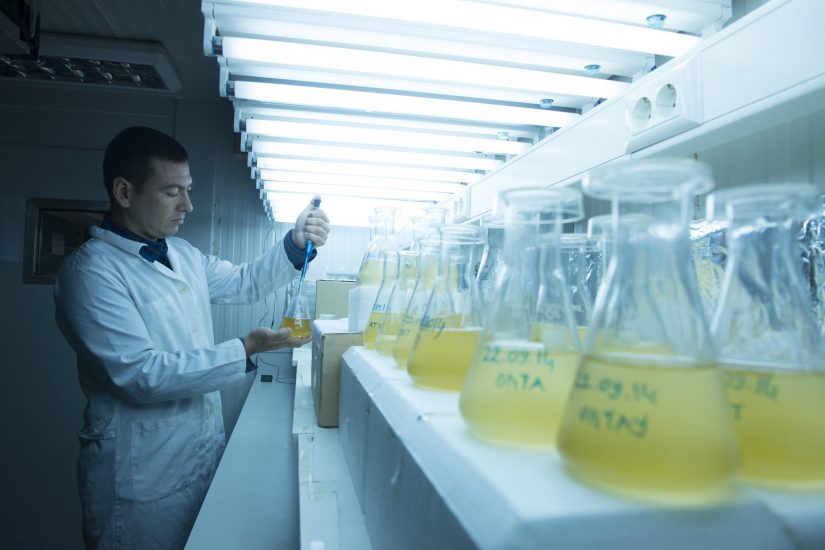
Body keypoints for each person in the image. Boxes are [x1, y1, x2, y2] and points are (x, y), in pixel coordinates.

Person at [54, 126, 330, 549]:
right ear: (124, 192)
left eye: (189, 189)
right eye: (172, 192)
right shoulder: (92, 273)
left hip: (195, 458)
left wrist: (294, 244)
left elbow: (244, 283)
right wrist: (246, 349)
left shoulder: (181, 254)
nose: (188, 205)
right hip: (138, 478)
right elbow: (140, 374)